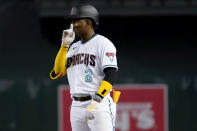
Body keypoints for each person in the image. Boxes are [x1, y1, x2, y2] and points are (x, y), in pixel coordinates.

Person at [50, 4, 120, 131]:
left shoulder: (103, 43)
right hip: (76, 105)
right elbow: (58, 71)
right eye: (72, 21)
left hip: (98, 102)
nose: (72, 24)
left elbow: (111, 75)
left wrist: (96, 102)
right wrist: (64, 45)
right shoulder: (73, 47)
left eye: (76, 20)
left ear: (88, 22)